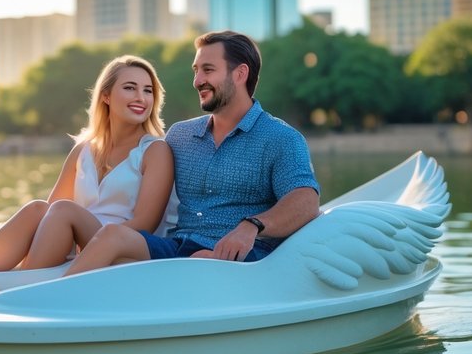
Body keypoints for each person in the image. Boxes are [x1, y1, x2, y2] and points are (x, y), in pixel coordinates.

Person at [64, 31, 318, 275]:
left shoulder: (281, 138)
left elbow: (306, 200)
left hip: (242, 259)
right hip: (178, 247)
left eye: (208, 70)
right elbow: (140, 176)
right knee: (111, 236)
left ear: (240, 74)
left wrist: (252, 225)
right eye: (196, 71)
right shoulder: (180, 136)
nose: (197, 81)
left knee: (202, 261)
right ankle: (50, 299)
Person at [0, 55, 174, 273]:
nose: (141, 98)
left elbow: (146, 223)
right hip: (77, 239)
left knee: (63, 210)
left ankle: (24, 284)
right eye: (130, 88)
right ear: (106, 96)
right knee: (37, 209)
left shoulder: (155, 150)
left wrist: (92, 244)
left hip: (121, 245)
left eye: (148, 91)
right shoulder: (83, 149)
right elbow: (48, 214)